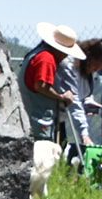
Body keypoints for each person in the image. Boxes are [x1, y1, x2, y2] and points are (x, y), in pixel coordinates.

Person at [22, 22, 89, 152]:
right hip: (39, 118)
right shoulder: (47, 59)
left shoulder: (38, 53)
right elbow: (41, 86)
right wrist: (61, 97)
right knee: (44, 155)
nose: (66, 56)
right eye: (66, 52)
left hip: (32, 113)